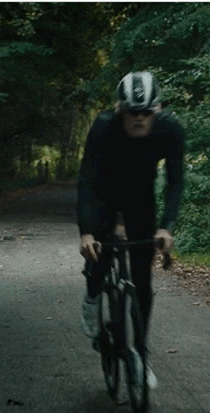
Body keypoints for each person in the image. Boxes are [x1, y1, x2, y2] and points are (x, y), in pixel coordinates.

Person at [77, 71, 185, 389]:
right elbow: (86, 182)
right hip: (105, 192)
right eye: (133, 113)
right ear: (119, 109)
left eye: (146, 113)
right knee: (99, 249)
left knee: (142, 275)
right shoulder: (103, 127)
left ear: (158, 109)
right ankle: (93, 295)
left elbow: (176, 182)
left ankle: (140, 353)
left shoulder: (170, 128)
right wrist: (87, 232)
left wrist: (166, 227)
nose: (139, 119)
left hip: (141, 195)